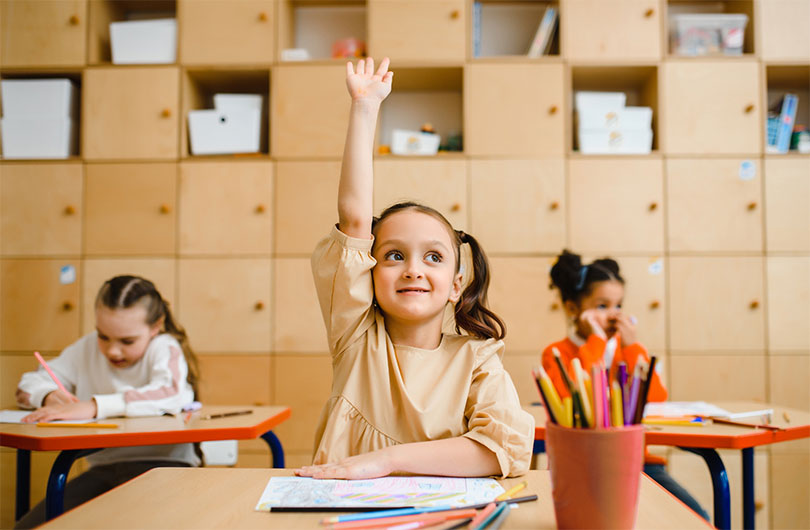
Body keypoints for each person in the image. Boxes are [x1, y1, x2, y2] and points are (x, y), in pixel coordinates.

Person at [295, 57, 533, 481]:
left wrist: (388, 460)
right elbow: (354, 219)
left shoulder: (477, 359)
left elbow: (501, 450)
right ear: (368, 272)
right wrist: (364, 108)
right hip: (346, 509)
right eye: (393, 255)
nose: (412, 270)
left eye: (434, 257)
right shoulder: (356, 336)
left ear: (456, 285)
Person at [15, 275, 200, 528]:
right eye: (103, 336)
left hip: (166, 467)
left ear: (156, 326)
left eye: (127, 341)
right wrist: (48, 395)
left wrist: (93, 406)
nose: (112, 351)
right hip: (104, 470)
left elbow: (171, 393)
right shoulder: (86, 348)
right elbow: (26, 387)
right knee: (30, 527)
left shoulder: (164, 348)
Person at [542, 250, 710, 521]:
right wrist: (596, 343)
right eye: (602, 306)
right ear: (573, 309)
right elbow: (575, 398)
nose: (614, 315)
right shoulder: (557, 353)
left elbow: (655, 400)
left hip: (636, 464)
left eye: (618, 305)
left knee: (696, 516)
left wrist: (633, 348)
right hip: (583, 466)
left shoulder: (627, 350)